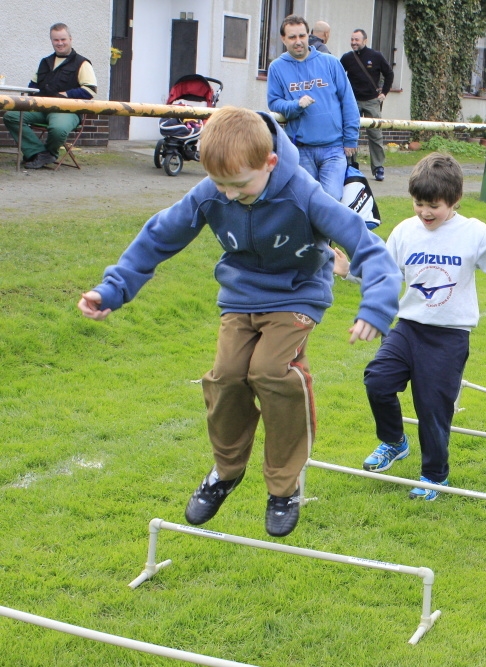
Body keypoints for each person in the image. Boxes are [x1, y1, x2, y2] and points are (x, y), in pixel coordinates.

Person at [76, 107, 400, 537]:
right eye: (220, 185)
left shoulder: (303, 193)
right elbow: (158, 237)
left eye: (239, 185)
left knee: (269, 371)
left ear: (269, 163)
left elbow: (368, 247)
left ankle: (283, 488)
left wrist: (375, 307)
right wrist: (112, 289)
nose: (229, 196)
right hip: (241, 297)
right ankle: (225, 473)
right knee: (227, 376)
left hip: (297, 294)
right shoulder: (214, 190)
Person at [336, 153, 486, 500]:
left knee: (432, 408)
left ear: (454, 201)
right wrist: (348, 269)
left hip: (449, 336)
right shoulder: (405, 231)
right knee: (377, 381)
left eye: (434, 206)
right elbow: (385, 273)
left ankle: (434, 476)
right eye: (419, 203)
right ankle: (394, 442)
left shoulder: (472, 232)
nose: (425, 212)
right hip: (408, 327)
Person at [267, 15, 360, 200]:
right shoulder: (276, 68)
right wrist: (296, 105)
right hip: (301, 149)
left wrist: (351, 138)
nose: (298, 41)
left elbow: (348, 100)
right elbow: (274, 102)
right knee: (306, 201)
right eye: (292, 37)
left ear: (308, 36)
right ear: (283, 39)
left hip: (334, 148)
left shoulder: (330, 62)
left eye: (302, 36)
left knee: (332, 199)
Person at [3, 23, 97, 169]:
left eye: (63, 39)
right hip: (41, 108)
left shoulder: (82, 63)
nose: (60, 43)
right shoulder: (45, 62)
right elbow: (32, 86)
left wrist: (65, 94)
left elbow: (90, 91)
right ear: (51, 41)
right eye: (56, 40)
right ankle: (39, 153)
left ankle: (49, 153)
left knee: (58, 128)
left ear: (70, 39)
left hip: (67, 110)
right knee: (12, 116)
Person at [341, 29, 394, 182]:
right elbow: (337, 76)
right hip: (352, 102)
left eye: (356, 39)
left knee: (376, 135)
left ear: (364, 40)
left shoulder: (376, 56)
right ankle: (351, 165)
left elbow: (389, 73)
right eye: (352, 39)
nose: (353, 42)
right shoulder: (347, 58)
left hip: (372, 101)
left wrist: (384, 93)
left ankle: (378, 168)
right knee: (351, 134)